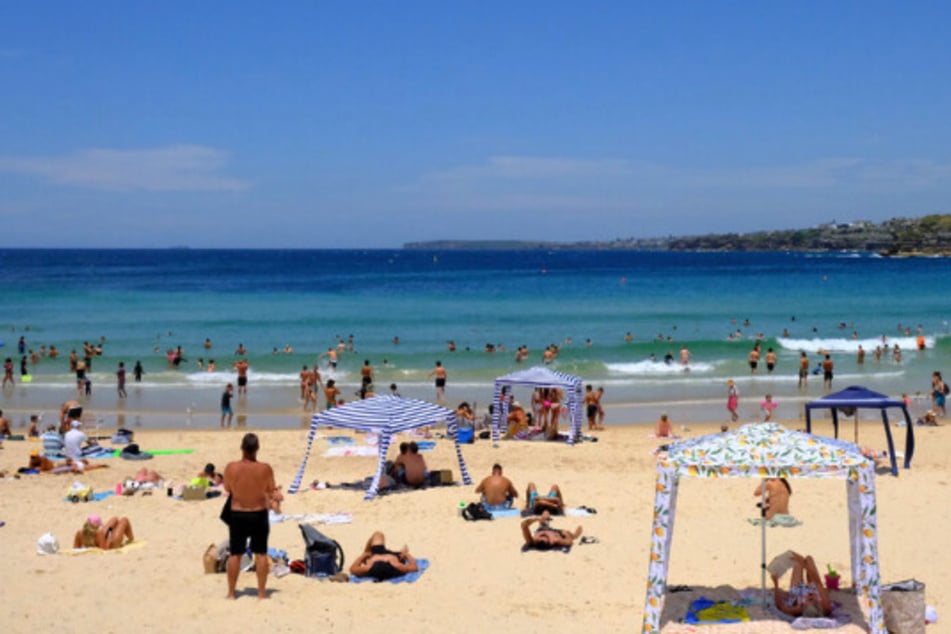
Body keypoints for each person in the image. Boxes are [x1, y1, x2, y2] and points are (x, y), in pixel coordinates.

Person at [224, 433, 277, 599]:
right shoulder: (265, 468)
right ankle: (261, 593)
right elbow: (270, 489)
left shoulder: (231, 467)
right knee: (260, 553)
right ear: (257, 449)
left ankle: (231, 593)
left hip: (238, 512)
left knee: (235, 554)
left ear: (241, 447)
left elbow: (227, 488)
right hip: (258, 513)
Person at [771, 552, 833, 618]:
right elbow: (816, 581)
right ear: (819, 604)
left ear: (803, 606)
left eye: (809, 599)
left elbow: (780, 607)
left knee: (797, 563)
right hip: (814, 590)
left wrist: (776, 583)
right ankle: (802, 563)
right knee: (809, 559)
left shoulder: (799, 609)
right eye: (814, 599)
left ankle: (798, 560)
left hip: (797, 594)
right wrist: (805, 565)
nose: (809, 594)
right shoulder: (825, 606)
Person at [349, 532, 418, 581]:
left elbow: (352, 569)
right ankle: (402, 551)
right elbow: (414, 568)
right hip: (395, 556)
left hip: (376, 554)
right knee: (378, 535)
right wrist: (406, 554)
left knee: (377, 534)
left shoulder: (370, 567)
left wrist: (364, 555)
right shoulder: (396, 565)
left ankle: (402, 551)